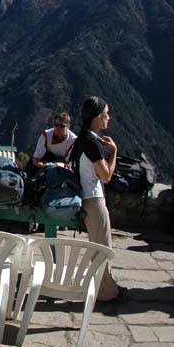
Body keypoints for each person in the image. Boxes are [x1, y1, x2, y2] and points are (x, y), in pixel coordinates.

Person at [69, 96, 122, 302]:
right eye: (106, 113)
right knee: (103, 248)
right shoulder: (91, 142)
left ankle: (105, 288)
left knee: (98, 247)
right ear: (97, 116)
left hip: (87, 198)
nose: (109, 117)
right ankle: (106, 294)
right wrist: (114, 152)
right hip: (94, 200)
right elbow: (106, 176)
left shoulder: (83, 138)